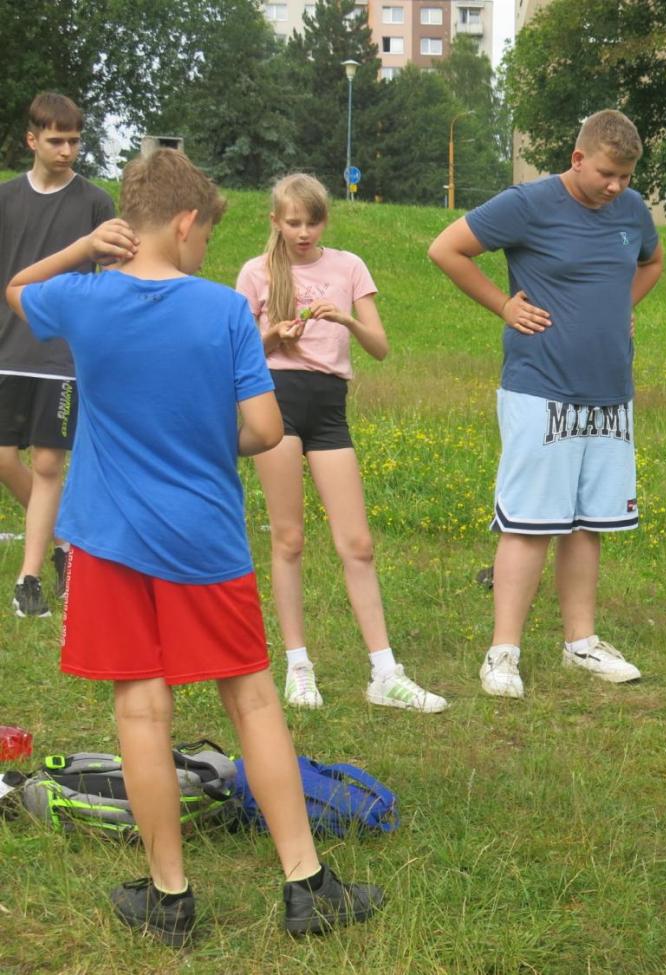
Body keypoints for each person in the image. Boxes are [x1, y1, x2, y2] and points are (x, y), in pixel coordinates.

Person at [5, 149, 381, 945]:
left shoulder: (87, 298)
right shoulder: (219, 312)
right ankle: (306, 883)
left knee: (141, 708)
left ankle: (171, 896)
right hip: (204, 539)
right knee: (250, 698)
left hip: (108, 542)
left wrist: (81, 248)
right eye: (207, 232)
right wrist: (214, 438)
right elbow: (267, 429)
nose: (208, 247)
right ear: (184, 223)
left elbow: (17, 290)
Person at [428, 109, 665, 699]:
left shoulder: (631, 212)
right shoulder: (527, 204)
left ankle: (580, 643)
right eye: (607, 174)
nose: (616, 187)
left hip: (610, 392)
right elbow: (447, 249)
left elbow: (652, 261)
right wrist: (503, 306)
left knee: (588, 523)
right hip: (540, 387)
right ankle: (502, 653)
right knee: (531, 521)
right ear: (578, 158)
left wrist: (622, 304)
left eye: (627, 177)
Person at [236, 174, 445, 713]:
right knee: (289, 539)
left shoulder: (348, 267)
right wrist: (272, 335)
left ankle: (385, 671)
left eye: (312, 222)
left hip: (330, 409)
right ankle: (297, 666)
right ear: (276, 222)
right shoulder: (257, 273)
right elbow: (234, 353)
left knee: (358, 543)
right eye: (293, 223)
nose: (303, 233)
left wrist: (346, 318)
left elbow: (380, 347)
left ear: (324, 220)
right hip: (275, 401)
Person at [0, 92, 114, 618]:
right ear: (32, 140)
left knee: (48, 463)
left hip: (63, 357)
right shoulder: (5, 198)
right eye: (56, 140)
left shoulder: (96, 203)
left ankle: (30, 582)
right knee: (4, 459)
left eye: (74, 140)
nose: (67, 150)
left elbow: (110, 284)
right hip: (6, 349)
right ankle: (66, 541)